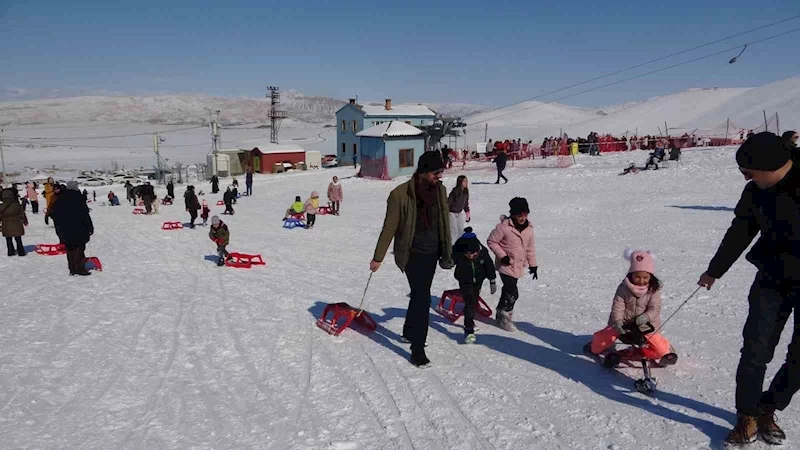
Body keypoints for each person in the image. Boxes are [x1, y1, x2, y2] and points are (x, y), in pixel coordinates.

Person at [697, 132, 799, 446]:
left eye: (749, 171)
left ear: (772, 166)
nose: (745, 178)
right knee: (755, 351)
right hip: (772, 279)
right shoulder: (755, 192)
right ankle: (748, 415)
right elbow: (740, 231)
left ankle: (769, 407)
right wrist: (715, 271)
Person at [370, 151, 453, 367]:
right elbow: (389, 227)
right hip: (412, 254)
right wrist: (378, 257)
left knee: (419, 294)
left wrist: (448, 249)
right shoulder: (399, 195)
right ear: (424, 172)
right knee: (422, 297)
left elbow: (444, 221)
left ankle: (408, 331)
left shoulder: (440, 191)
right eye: (436, 172)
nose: (439, 177)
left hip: (433, 252)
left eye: (441, 172)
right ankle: (417, 348)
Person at [586, 250, 676, 363]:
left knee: (661, 351)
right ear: (631, 274)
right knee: (597, 347)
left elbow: (655, 308)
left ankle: (661, 348)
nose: (641, 280)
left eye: (645, 277)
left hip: (646, 324)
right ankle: (594, 345)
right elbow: (617, 307)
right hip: (623, 323)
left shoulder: (653, 290)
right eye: (637, 277)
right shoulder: (623, 288)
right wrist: (618, 321)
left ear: (650, 277)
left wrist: (646, 317)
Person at [487, 197, 537, 331]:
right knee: (513, 292)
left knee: (508, 290)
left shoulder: (528, 229)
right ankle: (505, 316)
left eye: (525, 214)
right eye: (519, 214)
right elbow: (491, 241)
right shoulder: (503, 228)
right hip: (506, 265)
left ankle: (499, 311)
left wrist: (533, 265)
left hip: (518, 266)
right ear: (513, 214)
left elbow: (530, 248)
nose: (522, 217)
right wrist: (502, 256)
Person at [452, 227, 497, 344]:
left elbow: (489, 265)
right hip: (464, 280)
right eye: (469, 254)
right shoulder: (458, 251)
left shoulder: (482, 253)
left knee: (474, 298)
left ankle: (470, 313)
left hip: (479, 280)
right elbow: (449, 259)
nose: (472, 255)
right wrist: (448, 261)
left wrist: (492, 280)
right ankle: (469, 330)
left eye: (475, 253)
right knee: (469, 302)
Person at [48, 181, 93, 276]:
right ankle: (80, 268)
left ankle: (72, 269)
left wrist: (60, 225)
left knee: (69, 248)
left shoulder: (60, 198)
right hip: (79, 227)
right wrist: (90, 227)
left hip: (64, 229)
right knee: (79, 247)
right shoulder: (78, 198)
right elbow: (85, 215)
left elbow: (53, 214)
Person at [0, 188, 28, 257]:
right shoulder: (16, 204)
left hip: (6, 224)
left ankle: (10, 252)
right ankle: (21, 252)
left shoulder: (1, 206)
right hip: (16, 222)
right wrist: (25, 221)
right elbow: (22, 213)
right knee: (18, 239)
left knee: (8, 239)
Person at [447, 175, 470, 244]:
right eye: (464, 181)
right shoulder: (455, 191)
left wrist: (467, 213)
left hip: (459, 213)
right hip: (451, 213)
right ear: (460, 182)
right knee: (454, 231)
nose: (466, 183)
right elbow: (448, 203)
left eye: (466, 181)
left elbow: (466, 203)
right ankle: (452, 247)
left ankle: (459, 247)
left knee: (460, 231)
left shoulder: (466, 192)